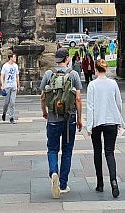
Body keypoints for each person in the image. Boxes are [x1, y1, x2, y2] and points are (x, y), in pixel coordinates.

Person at [40, 47, 83, 199]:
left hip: (52, 119)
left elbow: (43, 96)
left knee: (52, 149)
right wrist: (79, 119)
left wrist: (45, 112)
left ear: (56, 59)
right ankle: (63, 184)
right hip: (68, 119)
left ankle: (53, 172)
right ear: (67, 59)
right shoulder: (73, 75)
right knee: (67, 151)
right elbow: (78, 99)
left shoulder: (48, 74)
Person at [85, 58, 124, 197]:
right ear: (106, 69)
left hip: (97, 121)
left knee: (97, 151)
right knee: (110, 152)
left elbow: (90, 107)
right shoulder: (113, 84)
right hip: (111, 121)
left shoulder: (92, 85)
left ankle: (100, 183)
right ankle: (114, 181)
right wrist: (118, 118)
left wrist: (89, 126)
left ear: (95, 69)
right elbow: (118, 102)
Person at [0, 52, 19, 123]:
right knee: (6, 102)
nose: (15, 58)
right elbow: (2, 76)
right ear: (10, 58)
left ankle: (11, 117)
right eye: (14, 57)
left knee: (12, 102)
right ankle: (4, 113)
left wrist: (18, 85)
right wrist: (2, 85)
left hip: (14, 86)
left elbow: (17, 76)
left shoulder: (16, 66)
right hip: (7, 86)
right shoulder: (5, 66)